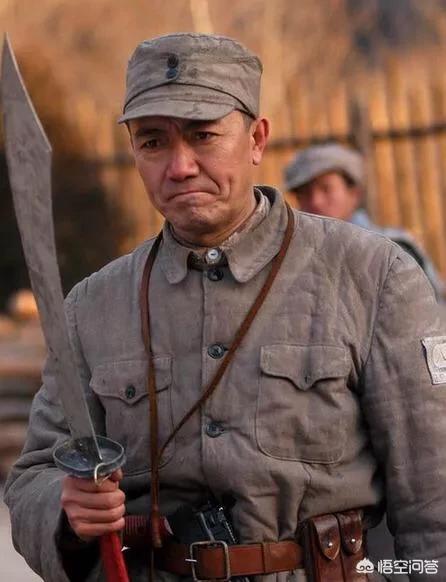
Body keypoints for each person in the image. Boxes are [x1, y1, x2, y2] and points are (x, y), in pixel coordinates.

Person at [4, 33, 446, 582]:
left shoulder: (373, 276)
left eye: (203, 135)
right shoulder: (92, 307)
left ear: (257, 139)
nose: (180, 166)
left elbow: (434, 501)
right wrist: (68, 512)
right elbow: (34, 477)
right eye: (153, 142)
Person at [283, 143, 445, 302]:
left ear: (354, 194)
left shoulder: (391, 251)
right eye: (304, 194)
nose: (315, 201)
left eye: (326, 189)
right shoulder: (295, 260)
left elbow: (425, 313)